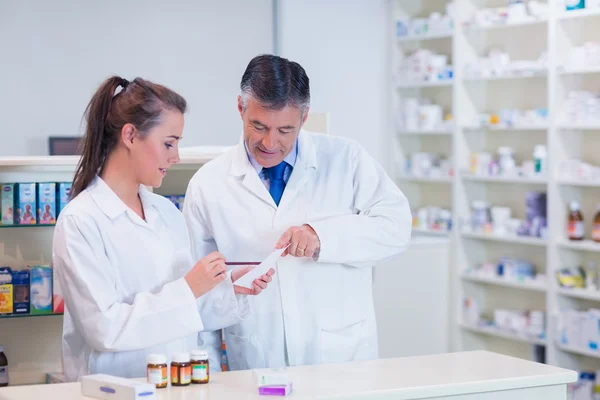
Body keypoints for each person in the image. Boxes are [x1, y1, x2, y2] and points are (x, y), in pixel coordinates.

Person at [183, 55, 411, 372]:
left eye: (285, 130)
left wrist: (323, 238)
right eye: (258, 126)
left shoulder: (346, 159)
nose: (269, 142)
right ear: (241, 108)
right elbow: (199, 292)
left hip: (342, 362)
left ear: (304, 117)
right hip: (256, 363)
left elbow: (397, 228)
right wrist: (203, 378)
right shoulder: (207, 185)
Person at [51, 76, 274, 381]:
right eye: (168, 143)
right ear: (130, 135)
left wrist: (227, 290)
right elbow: (104, 329)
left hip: (178, 385)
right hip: (118, 389)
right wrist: (190, 288)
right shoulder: (81, 221)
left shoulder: (166, 213)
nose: (176, 156)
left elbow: (183, 315)